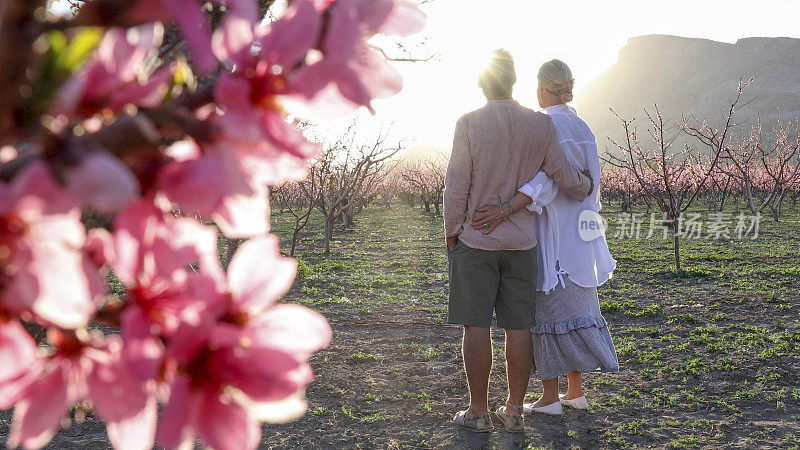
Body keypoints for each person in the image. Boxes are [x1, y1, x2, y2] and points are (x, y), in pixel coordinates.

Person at [444, 50, 593, 433]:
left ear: (481, 83)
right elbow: (564, 174)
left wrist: (452, 231)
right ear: (515, 82)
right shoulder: (537, 125)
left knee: (475, 327)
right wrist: (584, 186)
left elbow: (456, 185)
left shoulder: (469, 123)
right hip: (522, 243)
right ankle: (513, 409)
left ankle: (477, 411)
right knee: (518, 328)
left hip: (476, 241)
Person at [471, 59, 619, 416]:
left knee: (547, 311)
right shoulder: (582, 126)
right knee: (578, 308)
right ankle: (575, 391)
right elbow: (589, 185)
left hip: (550, 230)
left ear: (541, 87)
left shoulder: (545, 125)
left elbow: (548, 180)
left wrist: (508, 206)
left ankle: (550, 396)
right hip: (581, 233)